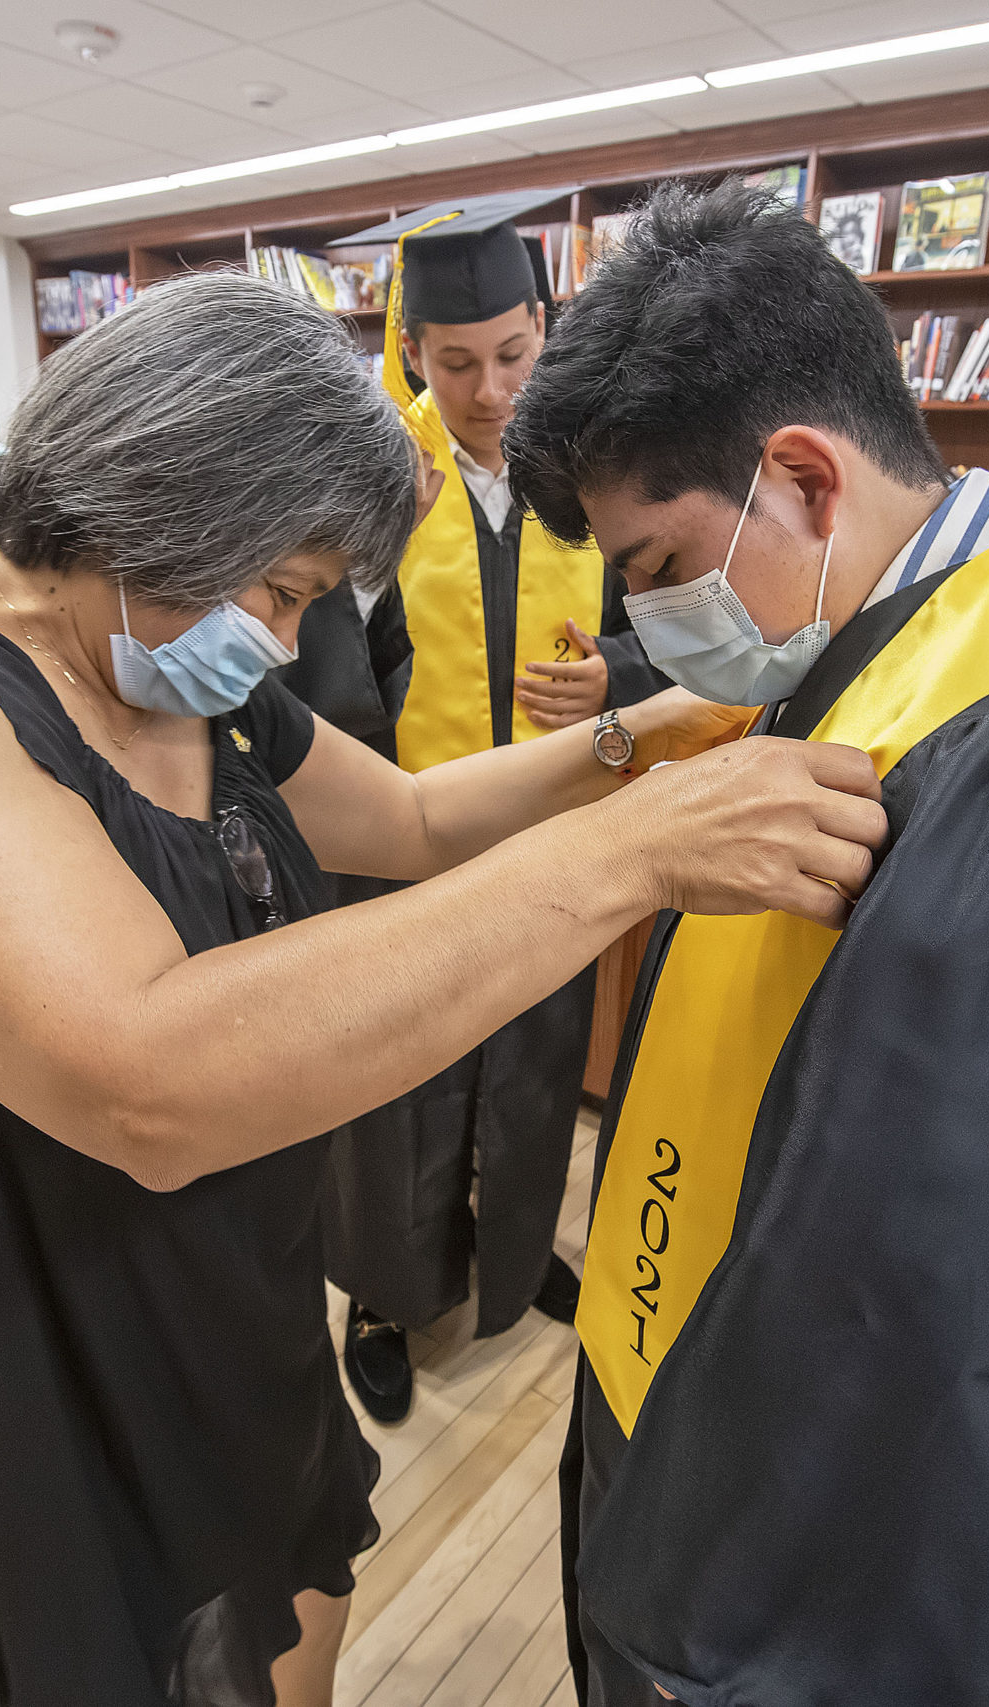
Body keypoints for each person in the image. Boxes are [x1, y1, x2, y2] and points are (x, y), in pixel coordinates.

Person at [0, 270, 888, 1707]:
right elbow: (144, 1074)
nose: (282, 643)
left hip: (229, 1312)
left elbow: (406, 822)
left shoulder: (170, 665)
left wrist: (657, 732)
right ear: (169, 501)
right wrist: (632, 857)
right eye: (281, 589)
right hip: (23, 1369)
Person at [504, 178, 989, 1705]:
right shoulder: (865, 646)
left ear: (804, 478)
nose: (650, 620)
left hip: (799, 1597)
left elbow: (934, 1324)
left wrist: (694, 1615)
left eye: (655, 569)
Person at [312, 192, 674, 1425]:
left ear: (543, 329)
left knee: (529, 1069)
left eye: (513, 356)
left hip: (553, 834)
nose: (487, 391)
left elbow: (657, 626)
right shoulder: (370, 479)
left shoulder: (588, 464)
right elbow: (313, 675)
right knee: (395, 1087)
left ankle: (514, 1264)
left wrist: (613, 683)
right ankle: (382, 1292)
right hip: (398, 848)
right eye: (454, 362)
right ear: (410, 350)